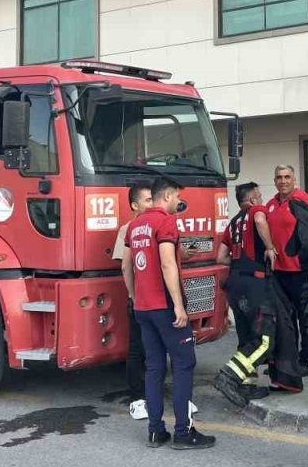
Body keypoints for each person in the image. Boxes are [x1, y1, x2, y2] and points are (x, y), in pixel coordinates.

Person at [122, 177, 216, 450]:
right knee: (184, 365)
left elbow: (126, 267)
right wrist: (178, 304)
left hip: (143, 308)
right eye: (177, 198)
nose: (179, 203)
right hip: (165, 307)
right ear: (167, 196)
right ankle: (183, 433)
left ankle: (155, 431)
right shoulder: (165, 222)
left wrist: (133, 295)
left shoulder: (135, 225)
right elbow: (166, 262)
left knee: (154, 368)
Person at [216, 181, 276, 401]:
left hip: (235, 284)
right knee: (264, 340)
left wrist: (239, 260)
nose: (261, 200)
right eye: (258, 196)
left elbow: (221, 257)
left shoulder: (232, 223)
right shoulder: (255, 212)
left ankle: (247, 385)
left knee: (246, 337)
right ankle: (229, 376)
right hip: (255, 284)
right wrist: (269, 247)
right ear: (251, 200)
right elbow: (260, 219)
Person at [266, 164, 308, 376]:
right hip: (279, 272)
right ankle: (288, 361)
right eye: (279, 177)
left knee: (305, 319)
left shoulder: (304, 200)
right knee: (285, 320)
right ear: (275, 180)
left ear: (294, 179)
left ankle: (307, 362)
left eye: (287, 177)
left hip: (302, 270)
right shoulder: (271, 205)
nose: (283, 181)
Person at [113, 182, 153, 419]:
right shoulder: (128, 229)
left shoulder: (160, 224)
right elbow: (125, 265)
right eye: (147, 200)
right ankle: (137, 398)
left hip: (158, 300)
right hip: (139, 299)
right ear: (134, 205)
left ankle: (154, 393)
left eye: (152, 199)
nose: (151, 203)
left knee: (157, 350)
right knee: (137, 349)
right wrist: (133, 295)